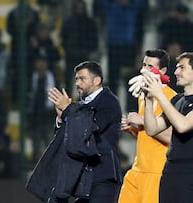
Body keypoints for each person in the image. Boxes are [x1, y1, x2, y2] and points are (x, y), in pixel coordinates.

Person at [26, 61, 122, 203]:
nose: (77, 83)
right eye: (76, 79)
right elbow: (68, 138)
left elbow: (88, 130)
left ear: (97, 80)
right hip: (84, 178)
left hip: (103, 176)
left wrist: (68, 111)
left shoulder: (108, 101)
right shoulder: (79, 107)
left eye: (82, 78)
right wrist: (61, 118)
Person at [142, 52, 193, 202]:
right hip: (170, 169)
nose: (176, 72)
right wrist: (149, 100)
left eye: (182, 68)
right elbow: (152, 129)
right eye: (177, 68)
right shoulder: (177, 100)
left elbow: (183, 125)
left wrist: (160, 95)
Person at [118, 49, 176, 203]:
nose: (145, 70)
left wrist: (143, 120)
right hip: (137, 168)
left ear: (162, 71)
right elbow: (148, 133)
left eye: (150, 66)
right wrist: (133, 129)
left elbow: (172, 137)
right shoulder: (142, 96)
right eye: (144, 65)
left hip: (156, 170)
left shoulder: (171, 98)